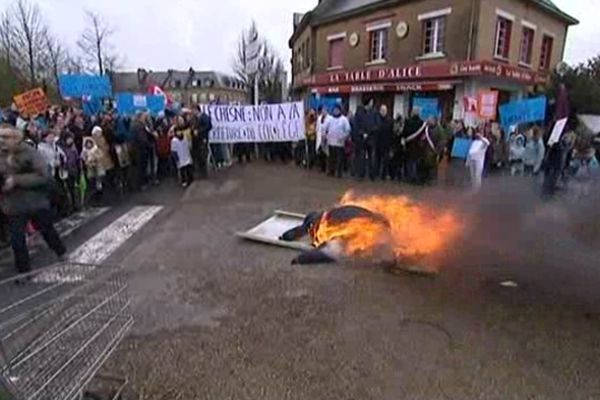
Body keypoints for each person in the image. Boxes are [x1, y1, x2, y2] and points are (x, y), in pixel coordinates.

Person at [0, 124, 66, 277]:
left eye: (6, 137)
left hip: (34, 201)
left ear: (15, 137)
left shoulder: (29, 152)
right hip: (13, 204)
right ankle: (24, 271)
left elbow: (44, 176)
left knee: (47, 230)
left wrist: (16, 180)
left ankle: (61, 252)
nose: (2, 140)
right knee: (17, 239)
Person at [323, 104, 351, 178]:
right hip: (331, 142)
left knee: (339, 159)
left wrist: (343, 137)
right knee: (331, 158)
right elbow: (324, 128)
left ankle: (339, 173)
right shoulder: (330, 119)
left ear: (340, 110)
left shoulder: (344, 119)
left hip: (339, 143)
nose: (336, 111)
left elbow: (348, 130)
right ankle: (331, 171)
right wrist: (325, 135)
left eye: (337, 110)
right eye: (334, 110)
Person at [371, 105, 394, 181]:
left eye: (384, 110)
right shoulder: (376, 120)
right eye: (382, 110)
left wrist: (391, 144)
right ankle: (375, 175)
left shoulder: (390, 120)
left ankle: (383, 175)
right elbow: (373, 130)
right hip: (377, 143)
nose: (383, 112)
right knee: (376, 160)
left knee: (385, 161)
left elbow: (391, 133)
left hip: (386, 143)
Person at [402, 110, 424, 183]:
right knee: (415, 161)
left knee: (409, 161)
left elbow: (404, 132)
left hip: (409, 144)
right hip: (418, 145)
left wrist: (404, 139)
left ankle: (409, 176)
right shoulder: (421, 123)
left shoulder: (408, 121)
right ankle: (414, 176)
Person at [192, 109, 212, 178]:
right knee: (198, 154)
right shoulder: (194, 118)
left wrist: (199, 131)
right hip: (196, 139)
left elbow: (208, 126)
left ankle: (204, 172)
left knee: (203, 154)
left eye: (193, 110)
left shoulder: (204, 117)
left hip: (203, 138)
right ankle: (200, 170)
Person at [315, 106, 331, 173]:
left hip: (326, 138)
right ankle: (321, 167)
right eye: (322, 110)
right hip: (319, 137)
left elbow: (330, 128)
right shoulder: (319, 118)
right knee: (320, 153)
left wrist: (326, 135)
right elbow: (317, 127)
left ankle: (328, 168)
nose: (323, 112)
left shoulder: (330, 118)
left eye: (325, 110)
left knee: (327, 154)